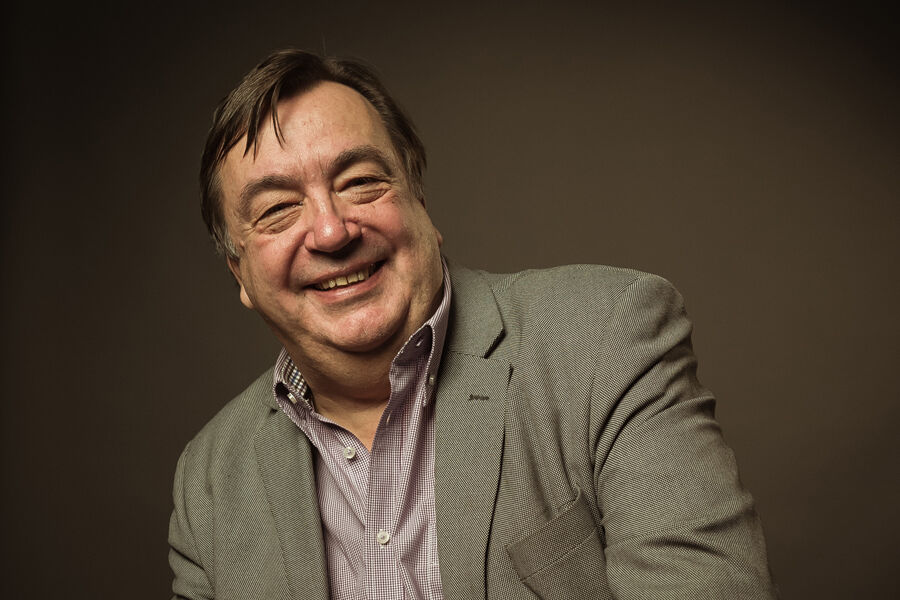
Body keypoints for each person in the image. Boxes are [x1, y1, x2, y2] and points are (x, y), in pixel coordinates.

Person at [169, 48, 776, 599]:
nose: (331, 231)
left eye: (361, 183)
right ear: (240, 273)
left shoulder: (605, 338)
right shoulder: (208, 481)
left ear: (420, 203)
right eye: (277, 210)